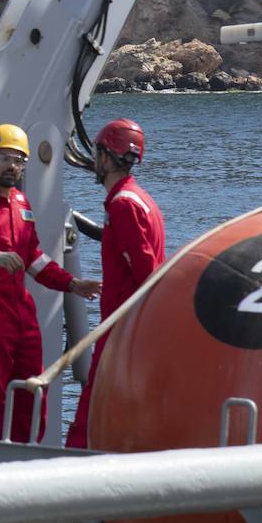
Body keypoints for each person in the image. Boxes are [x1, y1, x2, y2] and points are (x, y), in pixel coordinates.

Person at [0, 124, 100, 442]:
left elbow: (34, 259)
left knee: (31, 393)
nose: (12, 166)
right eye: (5, 158)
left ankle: (27, 461)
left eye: (19, 160)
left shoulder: (22, 205)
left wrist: (71, 284)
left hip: (21, 321)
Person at [64, 118, 165, 449]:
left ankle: (65, 478)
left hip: (123, 326)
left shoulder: (123, 205)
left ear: (107, 157)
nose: (94, 160)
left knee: (93, 407)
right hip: (132, 324)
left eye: (97, 153)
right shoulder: (141, 199)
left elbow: (146, 272)